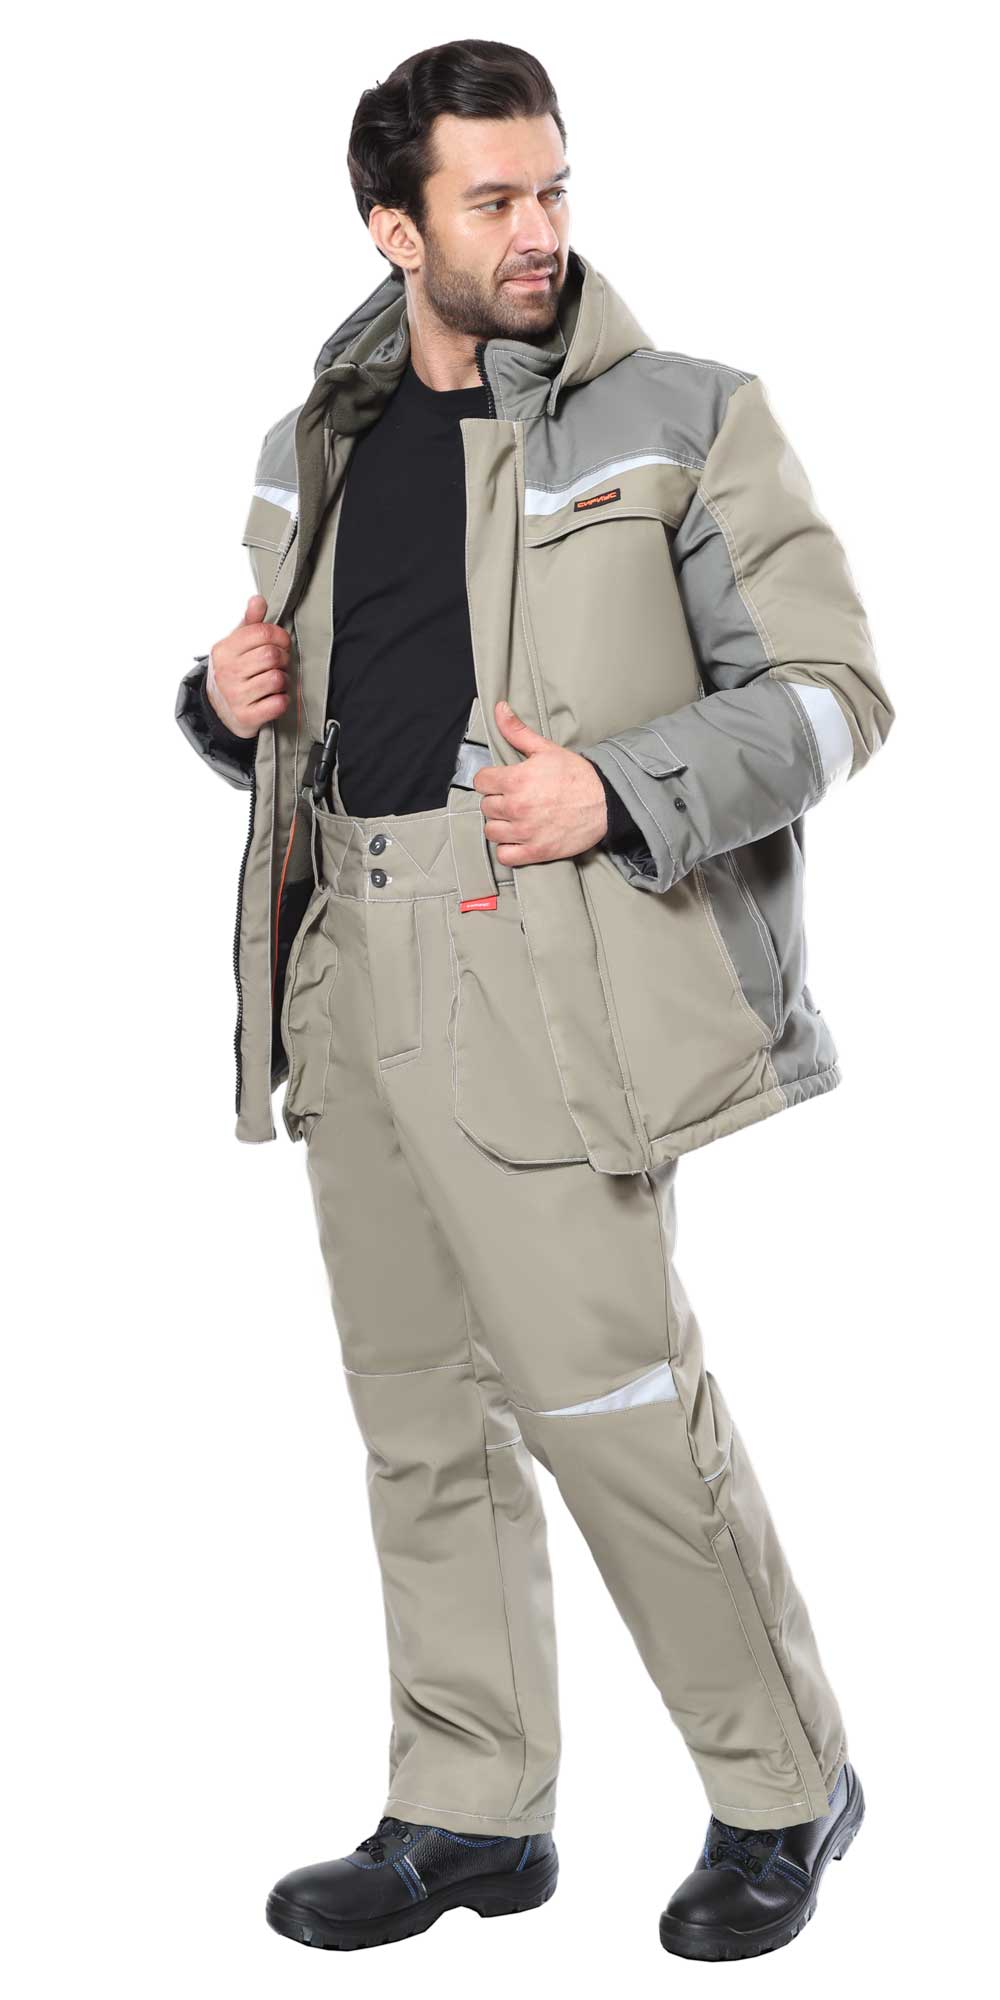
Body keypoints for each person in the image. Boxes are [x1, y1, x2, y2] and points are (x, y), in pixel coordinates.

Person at [176, 36, 891, 1962]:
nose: (540, 230)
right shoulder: (311, 442)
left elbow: (834, 695)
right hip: (345, 957)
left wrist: (620, 790)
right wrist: (219, 710)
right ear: (392, 227)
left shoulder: (685, 415)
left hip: (542, 950)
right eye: (493, 198)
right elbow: (321, 703)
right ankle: (469, 1807)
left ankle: (785, 1787)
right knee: (420, 1414)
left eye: (555, 187)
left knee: (616, 1406)